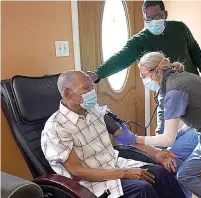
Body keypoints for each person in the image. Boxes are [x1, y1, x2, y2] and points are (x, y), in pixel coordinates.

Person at [87, 0, 201, 178]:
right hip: (167, 96)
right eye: (148, 19)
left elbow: (194, 49)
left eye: (156, 17)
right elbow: (121, 58)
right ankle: (168, 174)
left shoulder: (180, 29)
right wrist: (98, 74)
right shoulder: (141, 40)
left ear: (165, 15)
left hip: (191, 91)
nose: (152, 22)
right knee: (166, 138)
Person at [41, 70, 187, 198]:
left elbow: (125, 137)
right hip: (91, 182)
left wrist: (156, 153)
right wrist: (124, 173)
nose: (93, 92)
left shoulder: (95, 110)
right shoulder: (56, 128)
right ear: (68, 93)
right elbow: (76, 172)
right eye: (86, 88)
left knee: (162, 174)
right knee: (142, 189)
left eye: (92, 86)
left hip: (115, 165)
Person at [115, 52, 201, 198]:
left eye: (144, 76)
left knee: (186, 176)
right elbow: (197, 115)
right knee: (172, 157)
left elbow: (167, 139)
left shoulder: (174, 91)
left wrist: (134, 139)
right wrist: (178, 135)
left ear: (157, 71)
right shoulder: (181, 76)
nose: (144, 80)